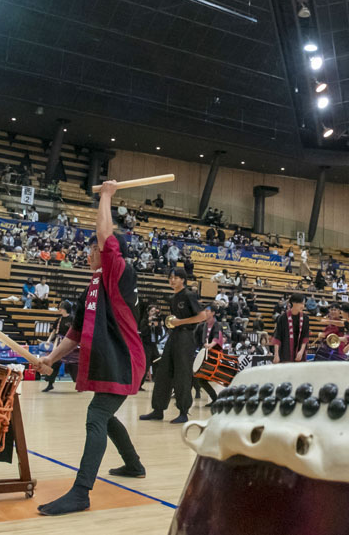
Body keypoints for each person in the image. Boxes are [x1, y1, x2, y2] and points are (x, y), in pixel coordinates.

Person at [37, 180, 146, 516]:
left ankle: (81, 491)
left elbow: (104, 233)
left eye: (91, 249)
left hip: (125, 360)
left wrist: (106, 196)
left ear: (105, 251)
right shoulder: (94, 284)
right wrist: (50, 359)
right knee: (105, 414)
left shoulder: (118, 272)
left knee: (96, 416)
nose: (87, 253)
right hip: (110, 359)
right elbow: (75, 331)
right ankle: (133, 464)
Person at [141, 267, 210, 424]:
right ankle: (158, 409)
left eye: (175, 277)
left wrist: (180, 322)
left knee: (182, 373)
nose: (172, 280)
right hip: (174, 336)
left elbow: (202, 316)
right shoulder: (174, 297)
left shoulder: (189, 295)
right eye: (170, 277)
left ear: (183, 280)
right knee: (163, 371)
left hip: (186, 337)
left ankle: (183, 411)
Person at [42, 300, 80, 392]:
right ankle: (50, 383)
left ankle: (79, 384)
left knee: (73, 365)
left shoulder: (73, 319)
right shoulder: (58, 320)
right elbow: (54, 332)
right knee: (55, 362)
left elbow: (76, 332)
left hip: (70, 345)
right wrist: (48, 340)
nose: (59, 309)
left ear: (65, 309)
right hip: (59, 343)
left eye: (61, 308)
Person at [271, 293, 312, 363]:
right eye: (301, 304)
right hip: (285, 353)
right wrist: (276, 355)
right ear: (294, 303)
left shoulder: (305, 318)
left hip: (299, 354)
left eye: (304, 304)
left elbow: (305, 336)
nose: (303, 306)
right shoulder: (282, 318)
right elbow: (277, 337)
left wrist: (301, 352)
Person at [193, 311, 223, 402]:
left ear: (213, 313)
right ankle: (214, 399)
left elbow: (216, 337)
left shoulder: (217, 325)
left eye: (207, 311)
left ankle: (215, 399)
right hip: (203, 354)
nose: (205, 313)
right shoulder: (201, 326)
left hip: (213, 355)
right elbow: (195, 340)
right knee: (199, 378)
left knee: (200, 379)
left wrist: (211, 344)